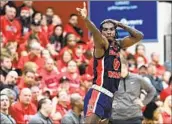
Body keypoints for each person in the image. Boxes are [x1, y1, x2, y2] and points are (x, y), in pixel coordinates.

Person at [76, 2, 144, 124]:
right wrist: (86, 20)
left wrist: (121, 24)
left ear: (115, 31)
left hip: (110, 96)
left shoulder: (118, 44)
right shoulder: (102, 45)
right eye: (105, 30)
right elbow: (96, 33)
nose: (108, 32)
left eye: (111, 29)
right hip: (98, 92)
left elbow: (139, 36)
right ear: (102, 32)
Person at [110, 58, 156, 124]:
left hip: (135, 117)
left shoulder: (137, 78)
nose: (118, 70)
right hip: (117, 117)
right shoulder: (112, 80)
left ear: (126, 67)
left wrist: (143, 102)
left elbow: (152, 90)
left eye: (121, 67)